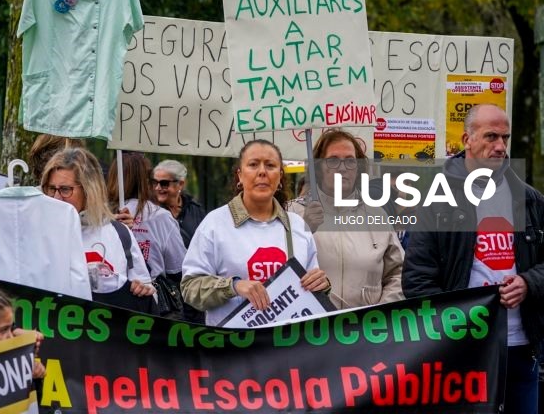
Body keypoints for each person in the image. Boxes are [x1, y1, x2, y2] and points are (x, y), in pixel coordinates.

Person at [403, 104, 544, 414]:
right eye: (491, 136)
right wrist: (456, 327)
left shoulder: (530, 199)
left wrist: (528, 282)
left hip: (522, 350)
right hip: (464, 352)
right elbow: (417, 280)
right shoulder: (437, 201)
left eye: (505, 138)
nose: (500, 146)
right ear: (467, 139)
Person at [181, 139, 330, 327]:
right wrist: (234, 286)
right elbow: (190, 288)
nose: (262, 172)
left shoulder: (297, 226)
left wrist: (321, 284)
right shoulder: (214, 224)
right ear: (240, 176)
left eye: (270, 165)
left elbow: (312, 287)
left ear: (280, 177)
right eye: (253, 164)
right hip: (234, 350)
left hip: (288, 349)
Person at [286, 130, 404, 309]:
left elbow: (399, 273)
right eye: (333, 160)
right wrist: (304, 228)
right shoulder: (293, 212)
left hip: (365, 330)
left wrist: (381, 312)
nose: (342, 168)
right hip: (311, 329)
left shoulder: (377, 214)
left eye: (350, 161)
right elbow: (278, 267)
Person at [41, 148, 155, 312]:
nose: (56, 197)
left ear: (89, 190)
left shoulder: (119, 234)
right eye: (51, 189)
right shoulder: (38, 233)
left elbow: (146, 292)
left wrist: (143, 289)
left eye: (65, 189)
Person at [107, 154, 187, 285]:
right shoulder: (160, 217)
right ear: (146, 181)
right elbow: (178, 269)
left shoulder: (97, 215)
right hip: (148, 296)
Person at [151, 160, 206, 248]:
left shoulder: (196, 211)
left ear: (180, 184)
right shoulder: (148, 212)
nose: (158, 188)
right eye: (154, 182)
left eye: (164, 183)